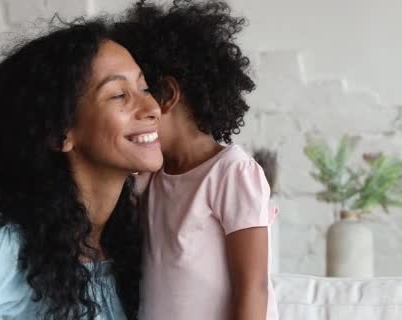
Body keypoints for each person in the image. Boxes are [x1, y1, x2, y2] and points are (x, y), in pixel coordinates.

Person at [0, 17, 162, 320]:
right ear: (59, 132)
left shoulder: (129, 237)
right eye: (118, 95)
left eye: (145, 87)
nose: (152, 108)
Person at [113, 1, 279, 319]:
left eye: (137, 93)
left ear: (168, 94)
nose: (128, 115)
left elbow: (252, 286)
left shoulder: (231, 171)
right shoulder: (153, 178)